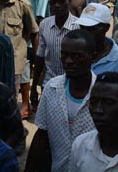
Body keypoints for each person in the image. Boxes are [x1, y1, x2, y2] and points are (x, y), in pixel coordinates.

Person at [27, 30, 97, 172]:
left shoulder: (101, 96)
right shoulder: (51, 88)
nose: (69, 61)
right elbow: (42, 134)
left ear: (92, 57)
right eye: (64, 55)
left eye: (76, 56)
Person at [77, 3, 118, 123]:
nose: (85, 33)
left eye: (91, 29)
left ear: (106, 28)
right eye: (82, 28)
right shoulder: (76, 54)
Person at [31, 0, 79, 106]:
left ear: (70, 2)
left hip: (72, 84)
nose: (57, 6)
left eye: (61, 2)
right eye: (53, 3)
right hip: (49, 82)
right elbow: (40, 56)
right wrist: (34, 86)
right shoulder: (45, 24)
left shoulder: (78, 26)